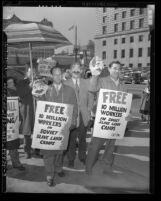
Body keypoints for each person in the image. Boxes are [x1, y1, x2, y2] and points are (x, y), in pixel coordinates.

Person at [86, 60, 132, 175]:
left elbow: (126, 105)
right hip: (102, 121)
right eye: (114, 68)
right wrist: (95, 75)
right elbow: (91, 88)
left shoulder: (123, 86)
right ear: (109, 69)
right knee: (95, 146)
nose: (117, 70)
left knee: (110, 147)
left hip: (115, 122)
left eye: (119, 68)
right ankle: (88, 166)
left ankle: (106, 165)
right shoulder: (101, 81)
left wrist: (129, 114)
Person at [36, 65, 78, 187]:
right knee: (48, 153)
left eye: (60, 74)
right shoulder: (45, 90)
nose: (58, 76)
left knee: (60, 151)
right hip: (49, 128)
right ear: (51, 75)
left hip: (64, 127)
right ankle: (49, 175)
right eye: (55, 74)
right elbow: (40, 106)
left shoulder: (70, 90)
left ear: (63, 74)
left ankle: (58, 168)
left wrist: (73, 121)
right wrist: (37, 95)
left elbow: (74, 107)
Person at [63, 62, 94, 168]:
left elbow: (91, 97)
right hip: (71, 114)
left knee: (82, 138)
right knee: (71, 138)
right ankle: (71, 158)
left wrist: (89, 109)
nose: (76, 71)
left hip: (84, 115)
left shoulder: (87, 82)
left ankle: (82, 157)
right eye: (74, 69)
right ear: (71, 71)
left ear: (81, 71)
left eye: (78, 69)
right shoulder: (65, 83)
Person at [16, 64, 35, 159]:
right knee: (27, 131)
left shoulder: (39, 82)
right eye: (31, 71)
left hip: (36, 109)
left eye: (34, 72)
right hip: (27, 109)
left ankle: (37, 149)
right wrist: (29, 87)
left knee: (38, 130)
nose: (32, 73)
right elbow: (20, 94)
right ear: (26, 72)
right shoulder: (21, 82)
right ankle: (27, 150)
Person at [7, 77, 25, 171]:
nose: (10, 84)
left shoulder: (15, 91)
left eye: (11, 82)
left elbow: (21, 104)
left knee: (13, 143)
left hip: (12, 122)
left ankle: (16, 163)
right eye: (8, 82)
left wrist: (19, 101)